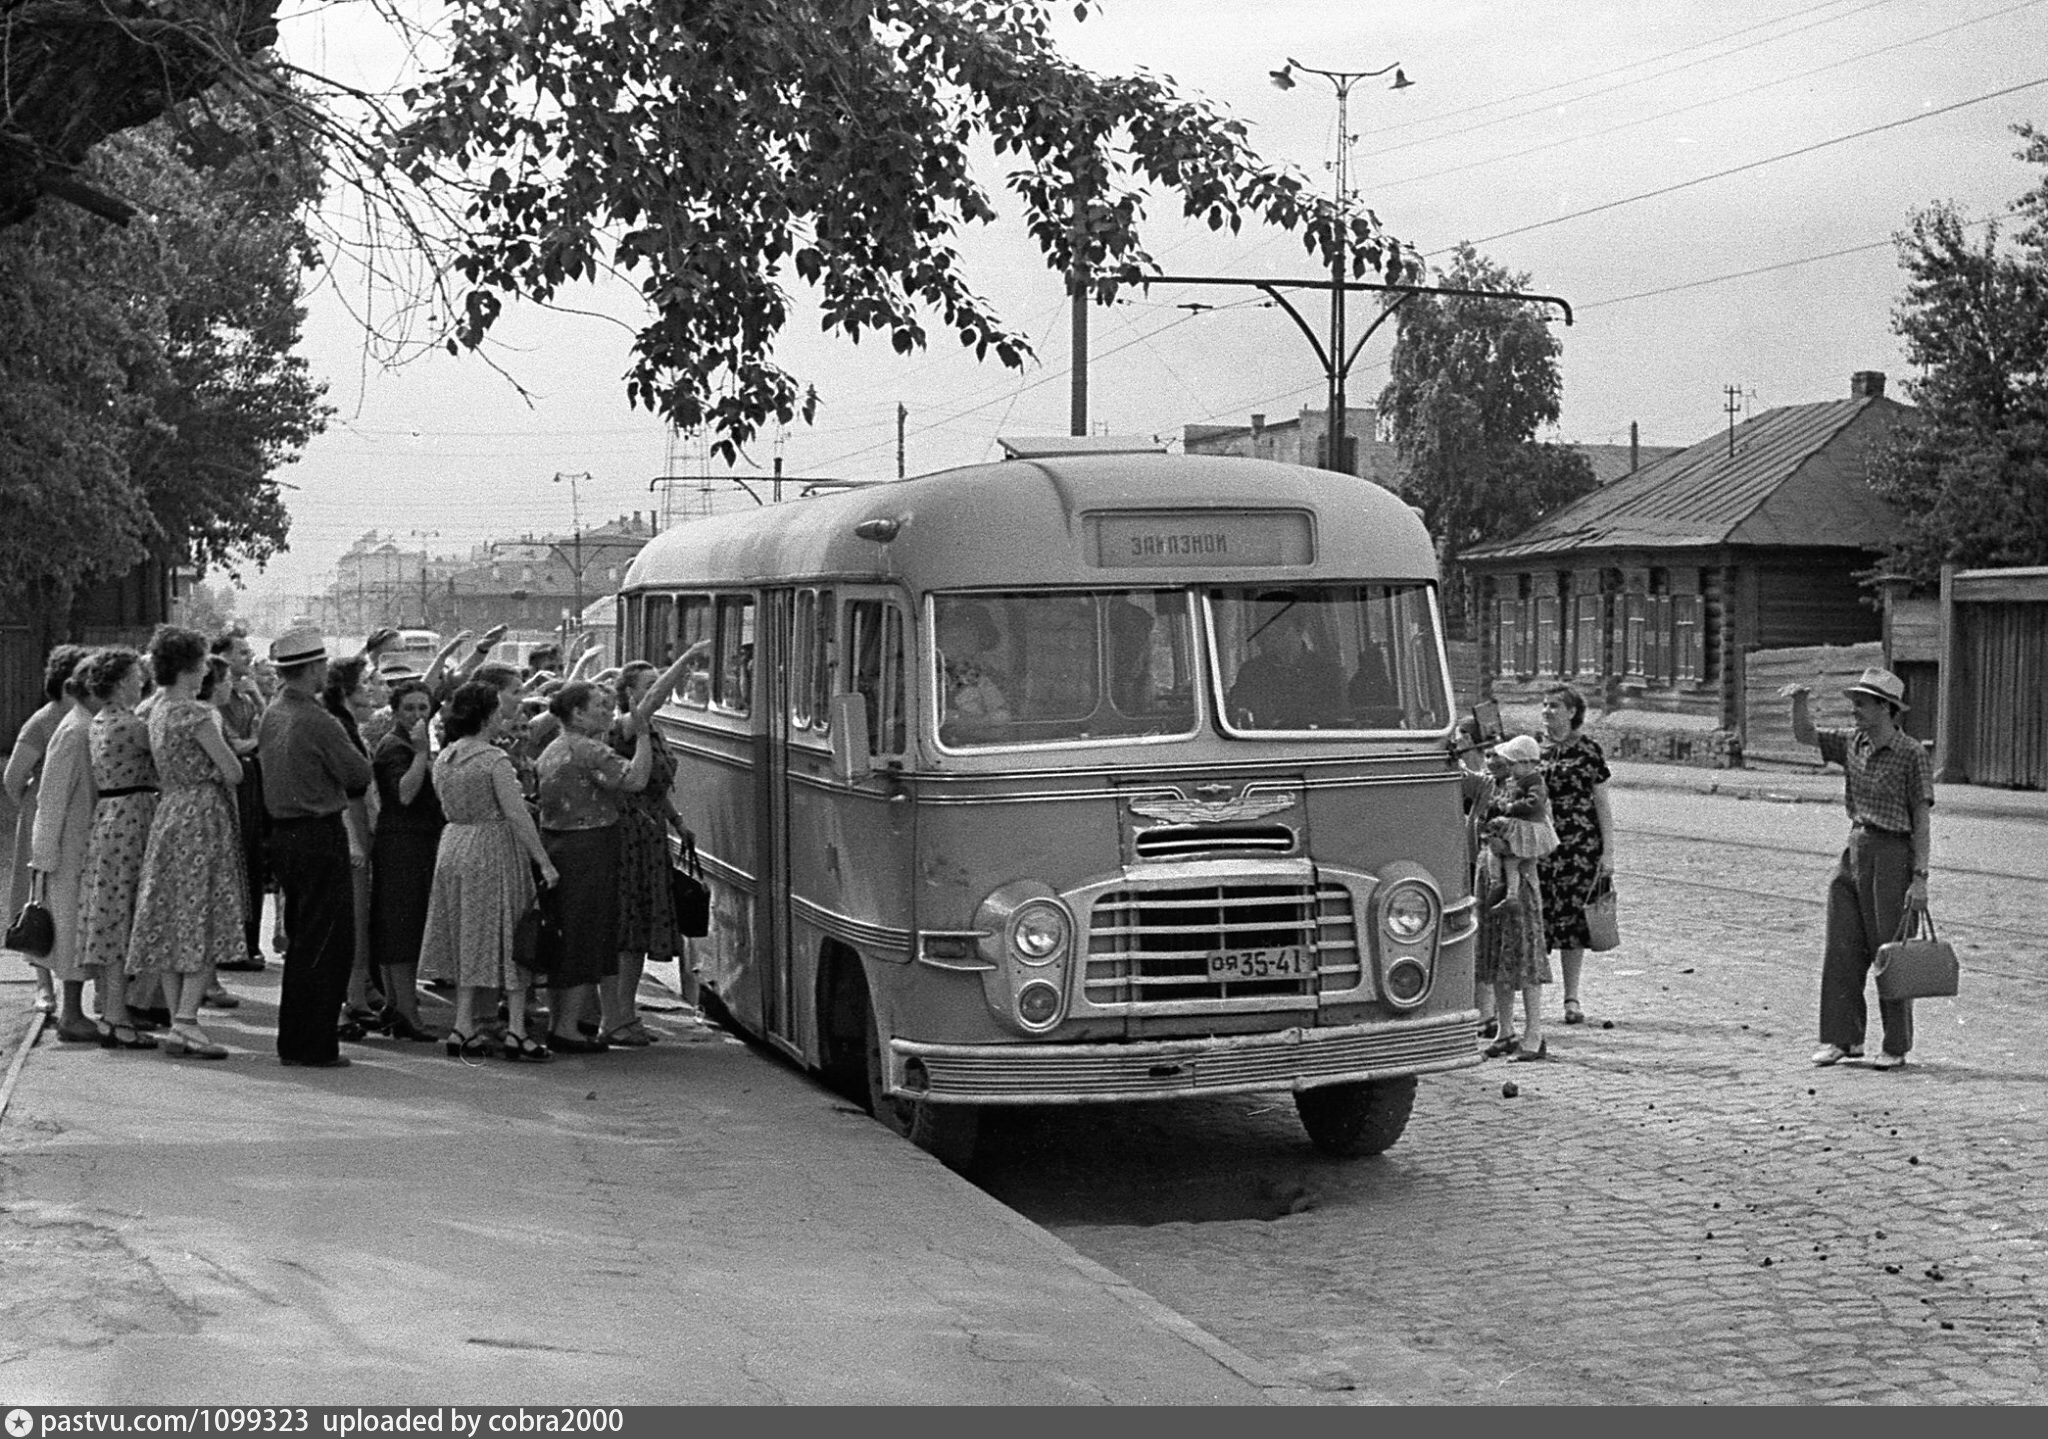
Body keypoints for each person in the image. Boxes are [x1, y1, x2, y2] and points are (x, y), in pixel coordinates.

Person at [1784, 668, 1932, 1071]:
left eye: (1862, 704)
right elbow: (1806, 734)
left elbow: (1921, 819)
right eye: (1854, 704)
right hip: (1855, 848)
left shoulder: (1911, 753)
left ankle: (1896, 1046)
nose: (1855, 712)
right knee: (1842, 949)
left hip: (1893, 854)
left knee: (1891, 951)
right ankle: (1842, 1039)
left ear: (1886, 709)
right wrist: (1799, 701)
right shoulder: (1854, 742)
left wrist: (1919, 878)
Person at [418, 680, 558, 1060]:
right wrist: (543, 861)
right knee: (511, 934)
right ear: (485, 715)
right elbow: (515, 814)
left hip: (455, 845)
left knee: (468, 936)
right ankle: (515, 1029)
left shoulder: (447, 756)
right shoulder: (493, 760)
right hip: (493, 849)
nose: (503, 715)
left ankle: (462, 1025)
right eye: (497, 709)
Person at [125, 627, 246, 1060]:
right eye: (198, 665)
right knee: (201, 912)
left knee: (173, 915)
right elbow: (233, 771)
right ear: (187, 669)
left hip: (170, 811)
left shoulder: (157, 712)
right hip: (202, 814)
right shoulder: (195, 715)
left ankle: (180, 1017)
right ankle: (187, 1021)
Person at [259, 625, 373, 1069]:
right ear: (310, 669)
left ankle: (295, 1039)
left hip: (284, 833)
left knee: (304, 938)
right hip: (318, 830)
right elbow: (358, 774)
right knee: (329, 942)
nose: (325, 670)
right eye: (321, 664)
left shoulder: (273, 713)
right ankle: (317, 1043)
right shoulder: (318, 719)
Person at [535, 679, 657, 1053]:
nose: (607, 712)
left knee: (565, 931)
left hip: (557, 843)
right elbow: (635, 779)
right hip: (590, 847)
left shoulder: (554, 748)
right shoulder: (589, 750)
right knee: (585, 933)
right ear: (577, 713)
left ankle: (562, 1020)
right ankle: (569, 1027)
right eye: (599, 707)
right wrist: (644, 736)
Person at [600, 656, 695, 1045]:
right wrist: (686, 661)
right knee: (627, 928)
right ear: (629, 694)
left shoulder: (650, 730)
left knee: (638, 931)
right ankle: (617, 1017)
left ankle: (626, 1012)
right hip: (630, 836)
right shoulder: (625, 727)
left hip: (650, 832)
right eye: (648, 683)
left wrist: (677, 822)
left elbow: (656, 787)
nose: (658, 689)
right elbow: (654, 700)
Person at [74, 648, 157, 1049]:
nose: (143, 680)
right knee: (124, 914)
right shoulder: (131, 724)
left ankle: (113, 1010)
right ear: (123, 681)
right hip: (133, 816)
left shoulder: (100, 720)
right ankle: (118, 1014)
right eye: (137, 674)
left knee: (111, 914)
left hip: (110, 817)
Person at [5, 644, 88, 1018]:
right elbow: (13, 777)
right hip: (44, 816)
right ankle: (43, 987)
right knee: (37, 902)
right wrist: (31, 803)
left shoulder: (87, 716)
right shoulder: (43, 721)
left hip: (77, 817)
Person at [25, 653, 102, 1041]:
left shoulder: (87, 724)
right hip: (70, 845)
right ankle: (71, 1014)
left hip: (83, 840)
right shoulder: (74, 731)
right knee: (71, 928)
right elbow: (50, 796)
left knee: (82, 928)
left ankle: (81, 1009)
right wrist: (44, 856)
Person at [368, 679, 444, 1041]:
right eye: (410, 708)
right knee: (401, 926)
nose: (417, 714)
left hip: (419, 841)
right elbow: (404, 794)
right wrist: (419, 755)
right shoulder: (395, 746)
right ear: (396, 712)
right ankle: (406, 1010)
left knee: (404, 924)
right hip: (402, 843)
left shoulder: (419, 742)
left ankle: (397, 1004)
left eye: (423, 708)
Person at [1537, 684, 1615, 1027]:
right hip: (1540, 848)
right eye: (1544, 705)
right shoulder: (1533, 748)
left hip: (1580, 847)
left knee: (1573, 924)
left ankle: (1571, 998)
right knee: (1536, 922)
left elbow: (1602, 804)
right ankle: (1532, 1002)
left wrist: (1608, 853)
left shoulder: (1588, 750)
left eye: (1554, 705)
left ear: (1572, 712)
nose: (1547, 711)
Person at [322, 655, 385, 1030]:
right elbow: (342, 783)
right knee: (355, 911)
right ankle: (353, 996)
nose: (368, 689)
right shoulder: (338, 727)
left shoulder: (347, 724)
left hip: (360, 814)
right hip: (352, 815)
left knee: (361, 911)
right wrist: (354, 840)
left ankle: (360, 986)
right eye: (362, 684)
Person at [211, 630, 270, 973]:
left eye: (249, 651)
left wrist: (259, 700)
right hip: (235, 783)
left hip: (252, 781)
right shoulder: (218, 700)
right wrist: (257, 739)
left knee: (253, 861)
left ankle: (250, 940)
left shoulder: (247, 695)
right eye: (241, 652)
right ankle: (234, 945)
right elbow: (235, 745)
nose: (247, 657)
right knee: (237, 862)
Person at [1224, 596, 1346, 730]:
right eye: (1262, 627)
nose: (1267, 634)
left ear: (1299, 628)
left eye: (1280, 628)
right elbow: (1237, 716)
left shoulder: (1327, 671)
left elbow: (1337, 722)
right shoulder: (1251, 671)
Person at [1484, 734, 1559, 917]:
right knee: (1511, 860)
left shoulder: (1534, 781)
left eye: (1511, 764)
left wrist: (1511, 806)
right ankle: (1510, 894)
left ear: (1526, 763)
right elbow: (1513, 796)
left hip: (1529, 827)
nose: (1508, 769)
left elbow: (1534, 803)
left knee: (1513, 859)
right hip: (1521, 826)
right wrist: (1501, 802)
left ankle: (1505, 890)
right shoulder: (1519, 780)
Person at [935, 601, 1010, 731]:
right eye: (953, 637)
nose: (961, 645)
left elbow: (1002, 718)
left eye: (971, 637)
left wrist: (974, 722)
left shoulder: (986, 677)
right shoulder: (922, 673)